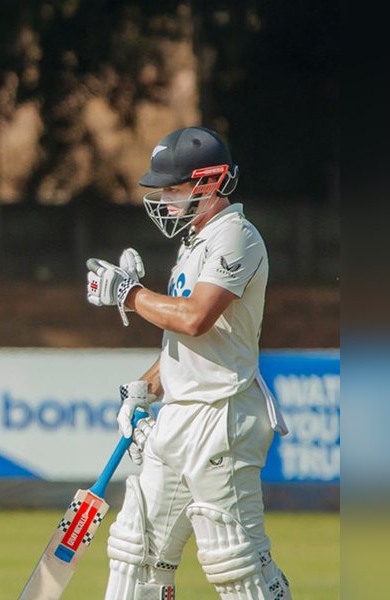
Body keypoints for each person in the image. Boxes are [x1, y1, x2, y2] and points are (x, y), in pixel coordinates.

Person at [85, 127, 291, 599]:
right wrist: (143, 390)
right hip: (179, 415)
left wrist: (130, 295)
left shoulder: (237, 237)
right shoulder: (194, 243)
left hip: (221, 414)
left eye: (173, 189)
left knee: (236, 565)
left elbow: (197, 319)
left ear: (210, 182)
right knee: (135, 555)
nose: (164, 200)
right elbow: (185, 343)